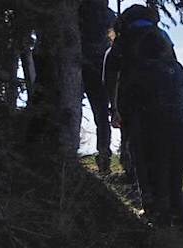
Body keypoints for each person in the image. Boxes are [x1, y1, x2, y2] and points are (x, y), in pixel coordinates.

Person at [105, 5, 183, 227]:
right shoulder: (172, 58)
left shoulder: (122, 44)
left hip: (144, 124)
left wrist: (116, 112)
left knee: (147, 168)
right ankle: (180, 217)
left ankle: (155, 212)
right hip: (177, 123)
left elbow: (117, 85)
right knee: (173, 172)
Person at [78, 0, 116, 173]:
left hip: (80, 64)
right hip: (101, 69)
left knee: (73, 107)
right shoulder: (108, 14)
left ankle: (71, 148)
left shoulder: (78, 9)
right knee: (101, 116)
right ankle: (103, 155)